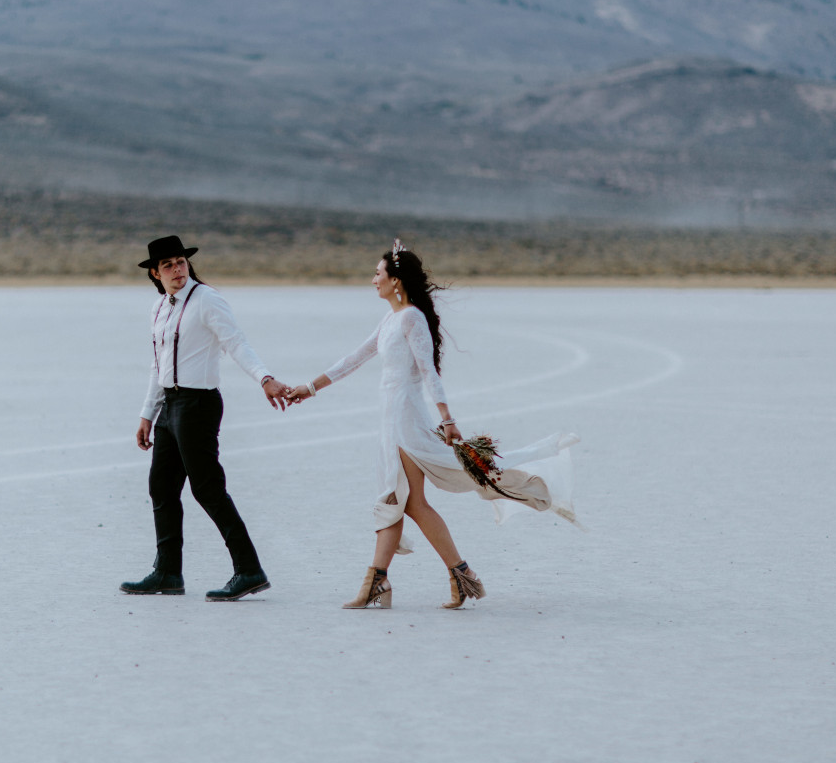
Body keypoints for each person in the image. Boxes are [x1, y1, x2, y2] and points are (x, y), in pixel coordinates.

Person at [286, 240, 580, 609]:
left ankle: (449, 576)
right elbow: (353, 358)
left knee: (409, 502)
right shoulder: (391, 318)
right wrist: (309, 388)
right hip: (389, 421)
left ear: (396, 281)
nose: (372, 279)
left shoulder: (411, 318)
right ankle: (395, 581)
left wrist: (447, 419)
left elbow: (429, 372)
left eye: (377, 274)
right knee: (396, 500)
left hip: (407, 420)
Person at [122, 235, 291, 601]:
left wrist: (264, 378)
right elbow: (158, 366)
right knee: (162, 489)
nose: (177, 269)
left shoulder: (206, 300)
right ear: (155, 273)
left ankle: (249, 570)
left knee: (207, 489)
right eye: (167, 265)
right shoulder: (159, 309)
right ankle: (167, 572)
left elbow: (236, 343)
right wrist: (147, 414)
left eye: (180, 262)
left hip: (198, 405)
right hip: (169, 406)